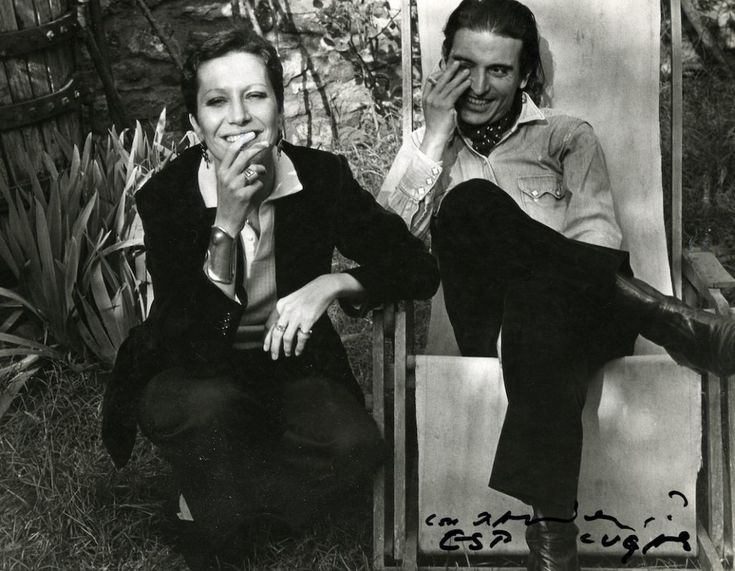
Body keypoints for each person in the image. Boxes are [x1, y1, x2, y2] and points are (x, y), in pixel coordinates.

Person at [378, 0, 735, 570]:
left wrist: (538, 278)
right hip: (485, 329)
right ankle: (671, 320)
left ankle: (552, 549)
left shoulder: (566, 137)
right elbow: (383, 247)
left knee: (539, 303)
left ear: (526, 76)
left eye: (498, 70)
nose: (477, 85)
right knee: (470, 204)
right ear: (441, 66)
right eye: (463, 65)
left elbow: (597, 254)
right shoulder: (427, 152)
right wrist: (436, 137)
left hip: (582, 323)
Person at [100, 27, 439, 568]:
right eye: (217, 102)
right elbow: (194, 344)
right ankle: (213, 509)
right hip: (190, 368)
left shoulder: (319, 177)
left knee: (357, 448)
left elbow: (416, 267)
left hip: (288, 364)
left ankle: (222, 497)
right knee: (213, 409)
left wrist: (332, 284)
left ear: (280, 109)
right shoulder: (167, 197)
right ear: (195, 125)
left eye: (255, 95)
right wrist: (227, 225)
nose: (238, 117)